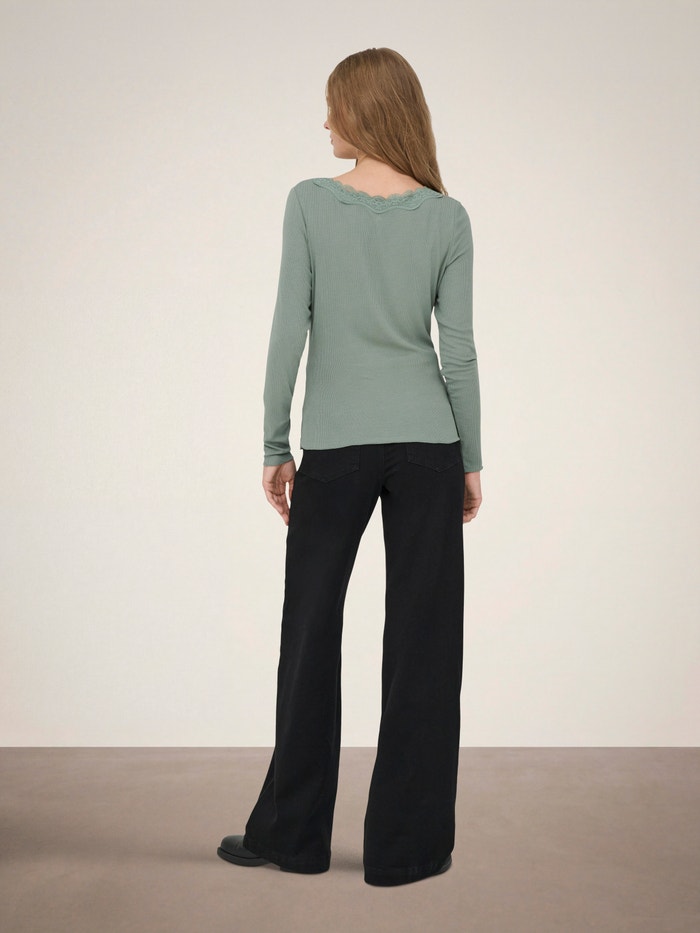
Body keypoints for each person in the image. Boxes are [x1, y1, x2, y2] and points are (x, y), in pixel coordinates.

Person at [217, 47, 483, 887]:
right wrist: (471, 458)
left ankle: (292, 836)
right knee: (425, 643)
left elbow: (286, 329)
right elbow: (458, 353)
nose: (325, 122)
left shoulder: (309, 203)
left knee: (309, 633)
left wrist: (275, 444)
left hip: (335, 446)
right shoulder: (447, 218)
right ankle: (407, 849)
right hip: (429, 445)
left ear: (364, 113)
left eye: (334, 106)